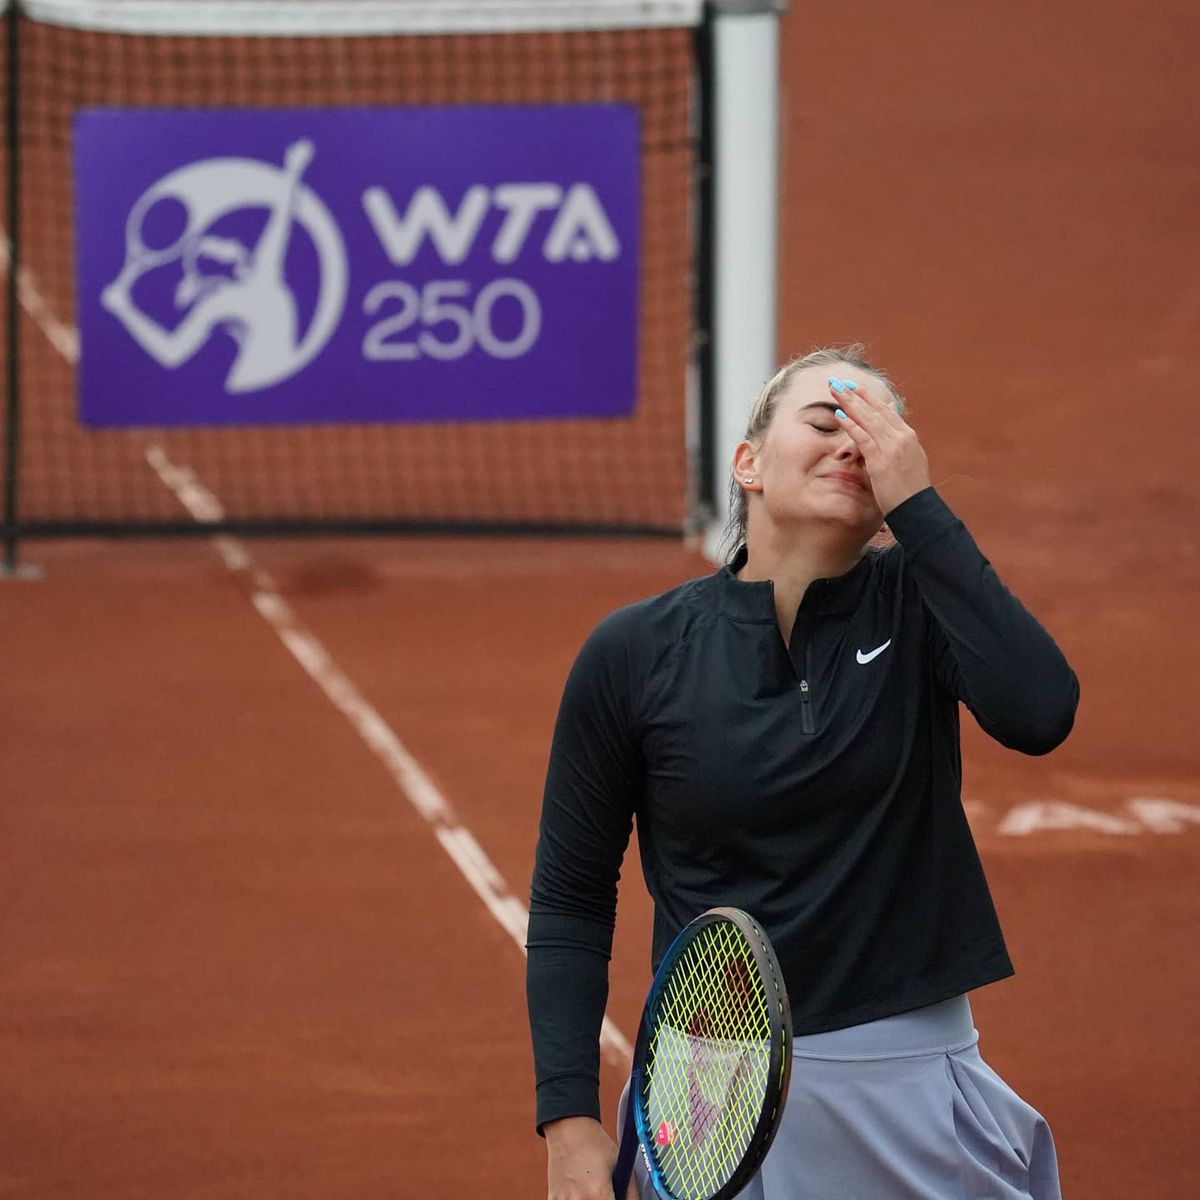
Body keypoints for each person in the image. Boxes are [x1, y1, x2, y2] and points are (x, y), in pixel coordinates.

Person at [526, 345, 1079, 1199]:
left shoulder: (921, 604)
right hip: (710, 1097)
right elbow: (570, 895)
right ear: (747, 463)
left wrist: (921, 508)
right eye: (826, 420)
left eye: (876, 430)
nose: (852, 444)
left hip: (909, 1080)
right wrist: (568, 1123)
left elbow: (1040, 712)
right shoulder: (634, 653)